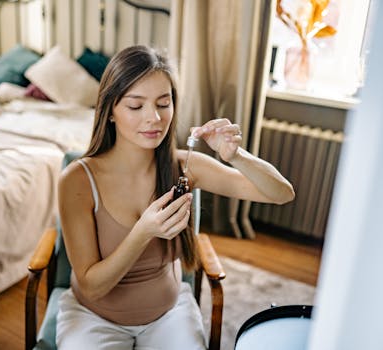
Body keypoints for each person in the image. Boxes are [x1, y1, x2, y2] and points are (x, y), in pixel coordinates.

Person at [56, 45, 295, 350]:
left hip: (168, 315)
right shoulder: (77, 180)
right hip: (93, 318)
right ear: (111, 111)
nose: (154, 117)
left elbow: (281, 193)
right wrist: (143, 232)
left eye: (163, 103)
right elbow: (92, 287)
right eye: (135, 106)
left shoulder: (184, 166)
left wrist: (236, 156)